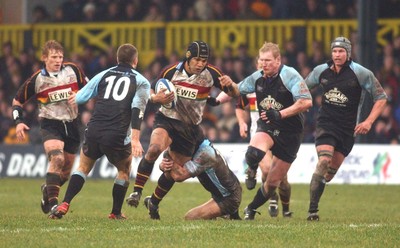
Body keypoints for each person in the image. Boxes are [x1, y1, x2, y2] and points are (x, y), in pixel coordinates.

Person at [125, 40, 238, 212]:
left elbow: (234, 93)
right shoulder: (171, 72)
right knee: (154, 148)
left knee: (175, 173)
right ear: (188, 57)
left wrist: (231, 86)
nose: (201, 64)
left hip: (189, 128)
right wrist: (156, 98)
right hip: (167, 119)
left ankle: (153, 202)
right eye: (197, 60)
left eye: (204, 60)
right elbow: (149, 90)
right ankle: (136, 192)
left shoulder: (212, 74)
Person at [49, 44, 150, 219]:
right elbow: (137, 109)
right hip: (117, 134)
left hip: (94, 129)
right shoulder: (142, 81)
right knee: (124, 170)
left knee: (82, 168)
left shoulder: (104, 74)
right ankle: (115, 212)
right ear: (136, 60)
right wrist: (135, 139)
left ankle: (64, 203)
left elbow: (80, 98)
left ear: (117, 59)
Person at [222, 41, 313, 220]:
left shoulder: (290, 75)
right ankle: (251, 169)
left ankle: (251, 208)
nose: (264, 64)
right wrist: (228, 84)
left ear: (278, 60)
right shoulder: (257, 77)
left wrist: (280, 114)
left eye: (268, 60)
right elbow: (236, 91)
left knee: (273, 183)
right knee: (253, 152)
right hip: (268, 126)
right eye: (261, 60)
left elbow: (306, 102)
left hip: (290, 133)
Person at [305, 37, 387, 221]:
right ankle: (312, 211)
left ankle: (316, 190)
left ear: (348, 53)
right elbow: (302, 88)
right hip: (325, 124)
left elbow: (381, 97)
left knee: (328, 175)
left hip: (347, 130)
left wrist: (368, 122)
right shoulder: (321, 71)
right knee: (324, 161)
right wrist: (300, 104)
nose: (337, 55)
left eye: (341, 51)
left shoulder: (361, 73)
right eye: (334, 51)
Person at [11, 40, 88, 218]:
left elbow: (89, 88)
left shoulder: (73, 70)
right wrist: (18, 122)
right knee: (57, 159)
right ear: (44, 58)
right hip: (50, 123)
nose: (58, 60)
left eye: (60, 57)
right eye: (54, 57)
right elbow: (17, 102)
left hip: (72, 124)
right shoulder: (37, 79)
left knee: (66, 171)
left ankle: (48, 189)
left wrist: (79, 95)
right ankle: (54, 206)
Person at [144, 139, 242, 220]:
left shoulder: (205, 154)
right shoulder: (198, 147)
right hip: (220, 194)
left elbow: (179, 176)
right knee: (170, 171)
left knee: (190, 217)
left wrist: (166, 160)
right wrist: (163, 165)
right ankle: (153, 202)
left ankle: (226, 212)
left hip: (229, 198)